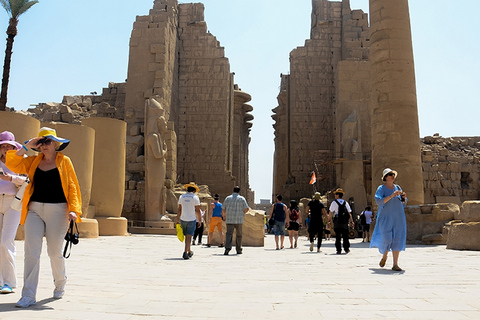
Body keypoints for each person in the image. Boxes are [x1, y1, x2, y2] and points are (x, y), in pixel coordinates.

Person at [6, 127, 82, 308]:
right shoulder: (32, 161)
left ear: (56, 144)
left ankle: (60, 282)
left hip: (59, 211)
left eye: (47, 141)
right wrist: (27, 146)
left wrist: (74, 210)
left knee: (54, 252)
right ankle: (28, 295)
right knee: (31, 253)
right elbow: (12, 163)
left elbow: (72, 186)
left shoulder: (65, 161)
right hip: (34, 210)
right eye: (41, 142)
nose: (44, 145)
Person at [0, 131, 27, 294]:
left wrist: (11, 178)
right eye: (2, 146)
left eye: (8, 146)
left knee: (6, 241)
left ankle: (9, 282)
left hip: (13, 203)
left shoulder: (20, 162)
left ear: (13, 147)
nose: (5, 148)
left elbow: (28, 180)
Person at [370, 168, 407, 271]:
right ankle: (384, 256)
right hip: (386, 218)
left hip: (398, 217)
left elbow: (403, 203)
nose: (392, 176)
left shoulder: (398, 187)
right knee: (387, 239)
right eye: (390, 174)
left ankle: (395, 264)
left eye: (393, 174)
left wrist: (403, 198)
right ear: (386, 177)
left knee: (397, 239)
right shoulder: (381, 188)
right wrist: (391, 196)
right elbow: (379, 201)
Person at [176, 182, 201, 260]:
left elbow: (179, 209)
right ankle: (185, 252)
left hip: (183, 219)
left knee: (187, 236)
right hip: (191, 219)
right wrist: (199, 220)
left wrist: (177, 218)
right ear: (194, 190)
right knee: (189, 236)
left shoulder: (182, 197)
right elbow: (197, 210)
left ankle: (189, 251)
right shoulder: (195, 198)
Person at [222, 186, 249, 255]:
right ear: (239, 191)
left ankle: (227, 249)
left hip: (230, 219)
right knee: (239, 235)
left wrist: (224, 216)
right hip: (239, 220)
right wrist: (242, 213)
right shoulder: (242, 199)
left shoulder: (228, 198)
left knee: (229, 234)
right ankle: (238, 249)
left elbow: (223, 209)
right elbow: (247, 208)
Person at [329, 188, 354, 254]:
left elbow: (330, 212)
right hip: (345, 222)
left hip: (337, 221)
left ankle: (338, 250)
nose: (335, 196)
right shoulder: (346, 203)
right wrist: (352, 221)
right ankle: (346, 249)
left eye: (335, 194)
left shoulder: (334, 202)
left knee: (338, 236)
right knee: (345, 236)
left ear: (337, 195)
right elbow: (349, 213)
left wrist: (329, 220)